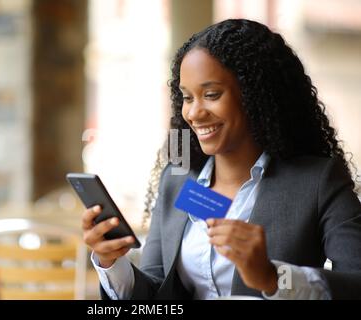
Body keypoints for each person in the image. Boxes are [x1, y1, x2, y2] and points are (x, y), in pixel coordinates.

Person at [81, 19, 361, 300]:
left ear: (254, 94)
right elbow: (156, 293)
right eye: (187, 97)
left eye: (211, 95)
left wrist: (272, 278)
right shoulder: (177, 180)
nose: (194, 113)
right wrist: (111, 263)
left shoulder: (317, 182)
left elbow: (355, 284)